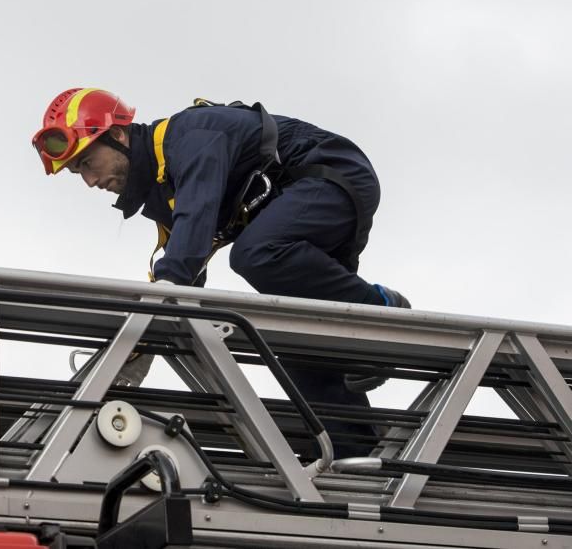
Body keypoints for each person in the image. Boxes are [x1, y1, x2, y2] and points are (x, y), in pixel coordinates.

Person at [31, 87, 410, 458]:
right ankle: (355, 455)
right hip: (296, 210)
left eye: (86, 164)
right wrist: (138, 344)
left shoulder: (189, 137)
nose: (90, 181)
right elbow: (184, 276)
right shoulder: (164, 188)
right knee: (301, 332)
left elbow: (192, 231)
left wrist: (160, 299)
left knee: (255, 254)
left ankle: (383, 308)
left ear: (116, 135)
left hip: (328, 175)